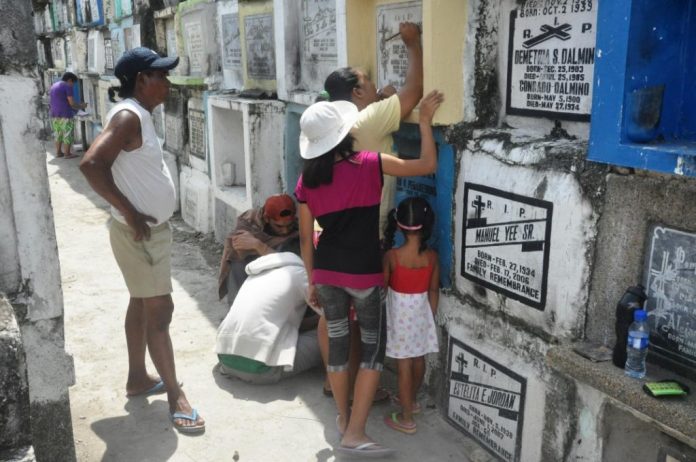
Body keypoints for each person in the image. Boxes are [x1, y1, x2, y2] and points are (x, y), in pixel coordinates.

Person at [295, 90, 443, 457]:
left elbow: (305, 239)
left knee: (339, 351)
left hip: (327, 273)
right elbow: (426, 165)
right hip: (364, 274)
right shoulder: (370, 163)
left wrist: (312, 279)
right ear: (346, 132)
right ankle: (355, 433)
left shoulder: (306, 182)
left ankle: (344, 420)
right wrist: (423, 121)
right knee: (372, 354)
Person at [79, 47, 204, 434]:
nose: (166, 83)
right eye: (160, 76)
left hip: (148, 232)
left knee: (141, 300)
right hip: (140, 233)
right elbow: (91, 164)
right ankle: (174, 394)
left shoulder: (138, 115)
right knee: (160, 312)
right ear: (141, 80)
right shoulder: (130, 116)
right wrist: (131, 212)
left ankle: (137, 377)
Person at [318, 21, 424, 398]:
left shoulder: (332, 126)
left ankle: (336, 385)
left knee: (334, 319)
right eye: (369, 81)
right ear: (358, 91)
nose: (375, 85)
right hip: (365, 234)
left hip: (328, 232)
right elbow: (413, 93)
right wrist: (412, 45)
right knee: (367, 322)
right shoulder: (368, 120)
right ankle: (361, 391)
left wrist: (379, 101)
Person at [215, 252, 323, 384]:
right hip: (261, 370)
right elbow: (331, 315)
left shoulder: (257, 271)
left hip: (225, 359)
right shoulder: (301, 275)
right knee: (330, 333)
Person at [382, 197, 439, 435]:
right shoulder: (432, 257)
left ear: (400, 225)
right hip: (421, 313)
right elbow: (434, 290)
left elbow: (383, 290)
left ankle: (406, 419)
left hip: (400, 317)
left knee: (403, 365)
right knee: (418, 360)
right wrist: (429, 318)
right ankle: (412, 401)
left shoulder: (392, 257)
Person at [217, 194, 299, 304]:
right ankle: (237, 306)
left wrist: (259, 246)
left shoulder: (299, 230)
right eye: (279, 226)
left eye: (289, 225)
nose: (285, 231)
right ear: (266, 218)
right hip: (251, 268)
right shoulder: (249, 220)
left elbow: (291, 264)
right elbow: (238, 247)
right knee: (237, 261)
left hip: (281, 278)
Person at [49, 72, 88, 159]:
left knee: (58, 133)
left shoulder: (54, 85)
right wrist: (81, 106)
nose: (73, 85)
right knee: (67, 133)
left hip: (54, 113)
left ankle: (58, 152)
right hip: (65, 113)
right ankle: (67, 154)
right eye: (73, 83)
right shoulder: (67, 86)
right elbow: (71, 103)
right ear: (70, 80)